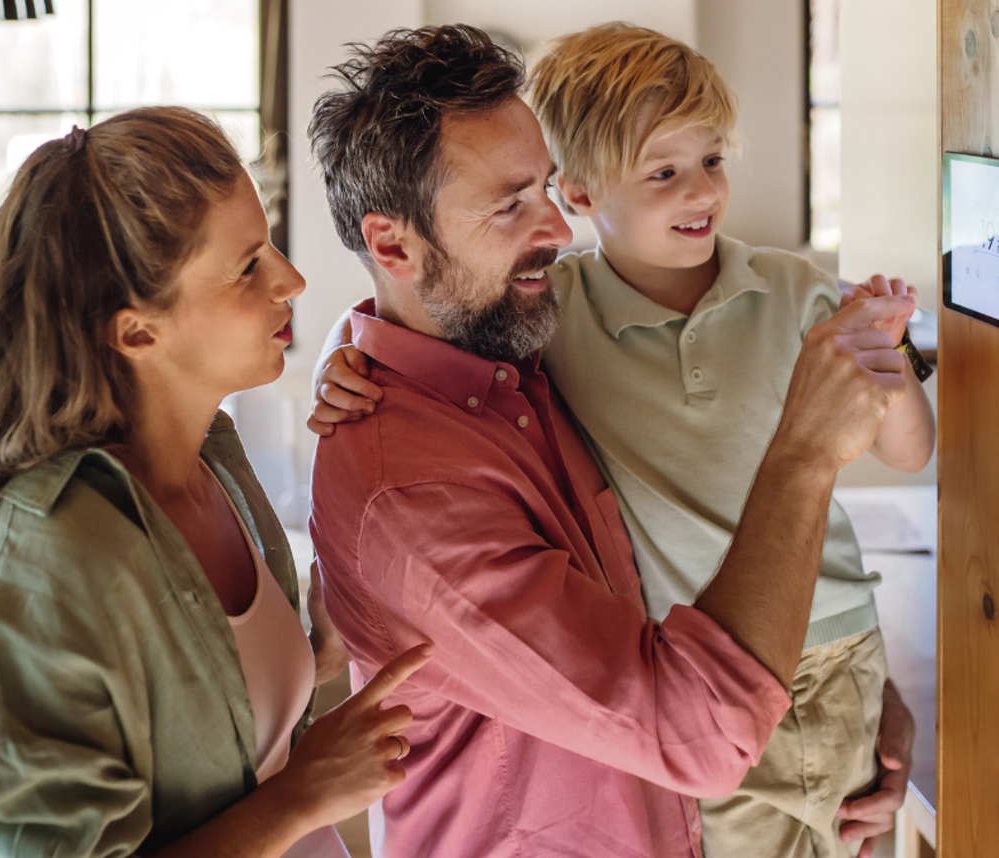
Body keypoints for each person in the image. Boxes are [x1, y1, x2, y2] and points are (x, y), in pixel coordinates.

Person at [317, 23, 930, 858]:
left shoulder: (513, 345)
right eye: (511, 203)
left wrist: (852, 674)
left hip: (807, 684)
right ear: (393, 245)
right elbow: (702, 736)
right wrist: (807, 454)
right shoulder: (426, 477)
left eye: (541, 190)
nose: (555, 231)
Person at [0, 106, 431, 858]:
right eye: (248, 267)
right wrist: (302, 796)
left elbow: (230, 739)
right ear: (137, 331)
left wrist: (321, 650)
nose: (292, 280)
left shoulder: (214, 465)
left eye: (269, 243)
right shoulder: (56, 555)